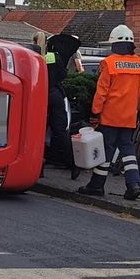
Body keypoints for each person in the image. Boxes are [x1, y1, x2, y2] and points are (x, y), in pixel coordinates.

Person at [77, 25, 140, 200]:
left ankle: (96, 186)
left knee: (105, 152)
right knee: (128, 150)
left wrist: (95, 113)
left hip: (109, 118)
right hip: (129, 118)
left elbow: (101, 92)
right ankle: (134, 184)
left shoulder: (109, 63)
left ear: (114, 44)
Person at [44, 33, 81, 179]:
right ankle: (72, 164)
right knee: (60, 132)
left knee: (37, 131)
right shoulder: (56, 57)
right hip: (57, 95)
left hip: (42, 94)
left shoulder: (39, 56)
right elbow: (62, 75)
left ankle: (39, 167)